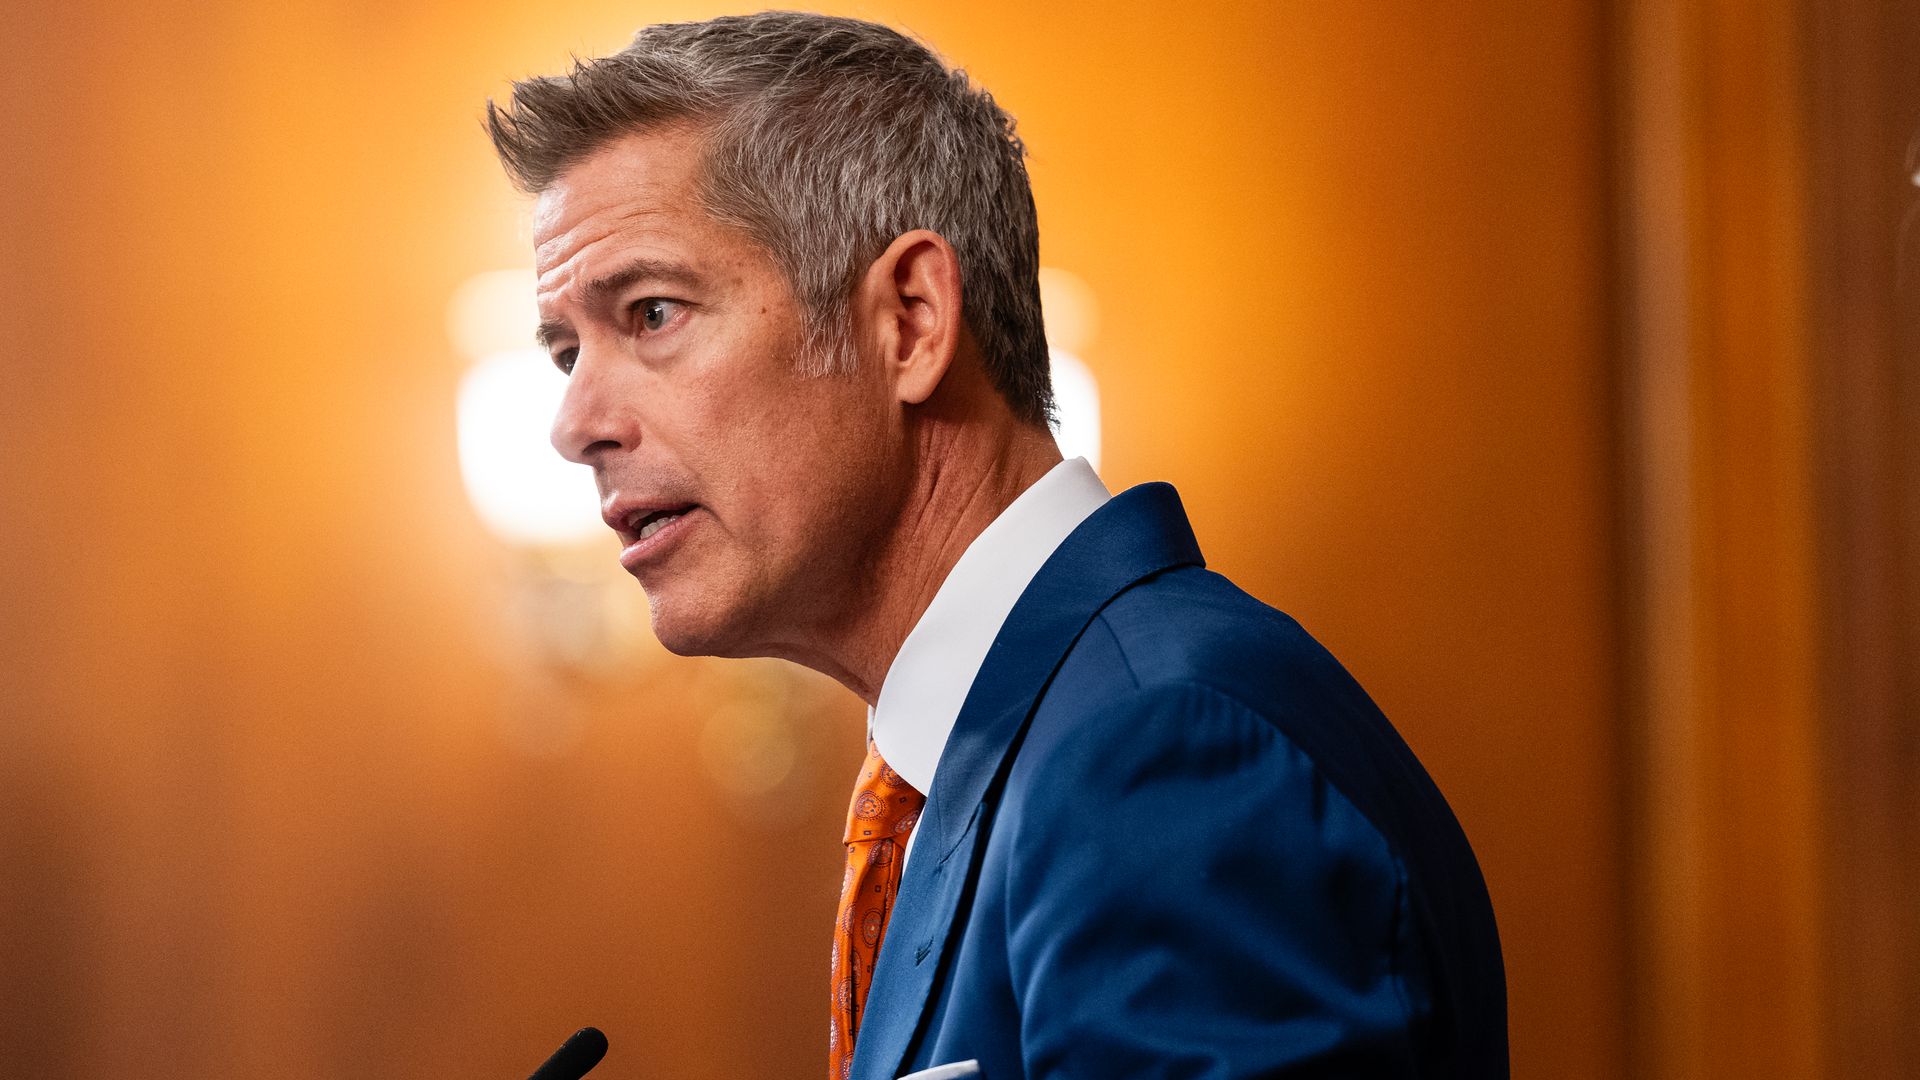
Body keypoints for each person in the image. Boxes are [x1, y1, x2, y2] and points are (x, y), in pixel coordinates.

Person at [486, 11, 1506, 1079]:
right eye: (566, 354)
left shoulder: (1162, 752)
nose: (574, 425)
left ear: (913, 321)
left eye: (652, 313)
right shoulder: (1014, 754)